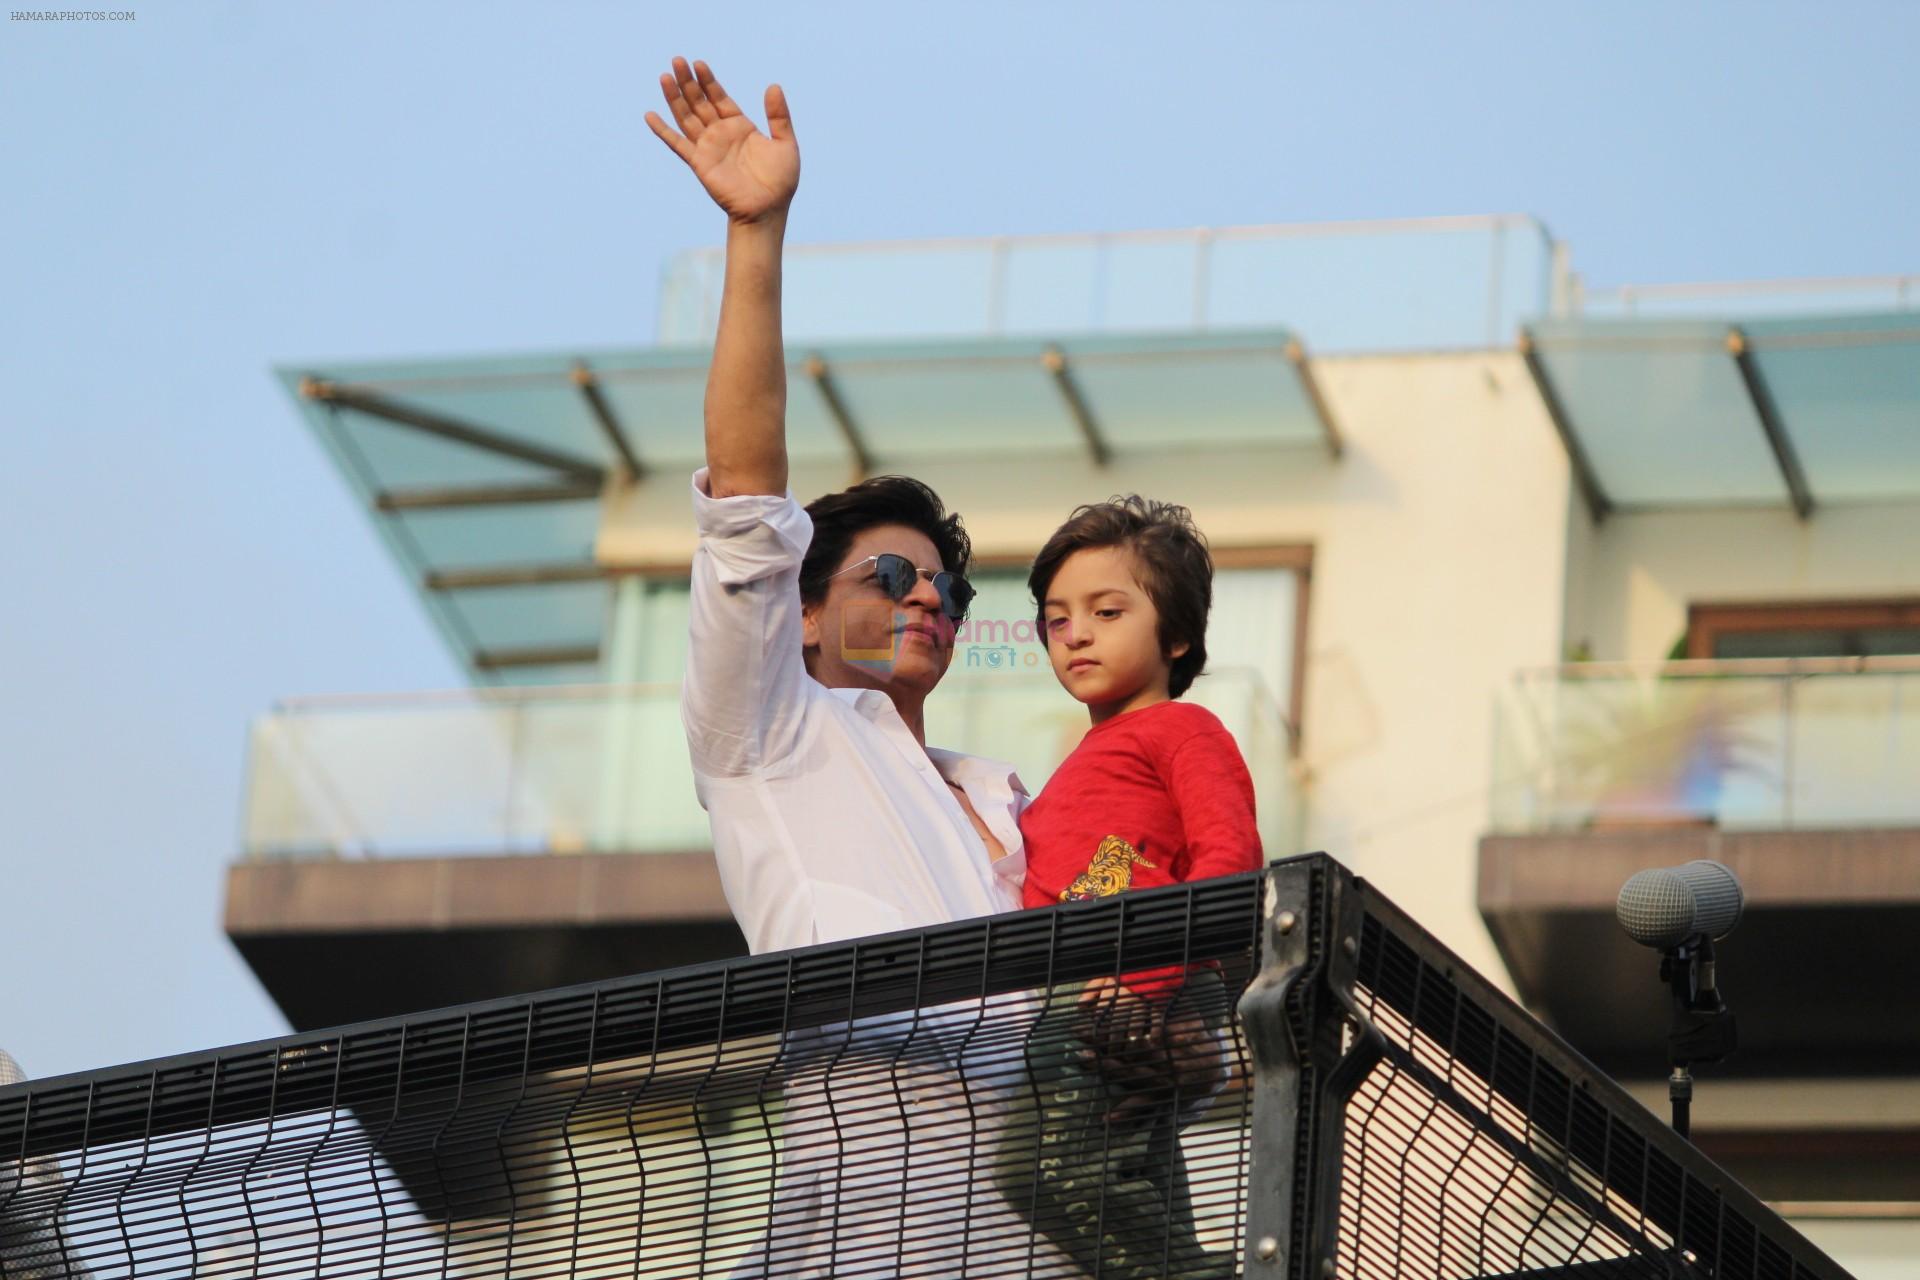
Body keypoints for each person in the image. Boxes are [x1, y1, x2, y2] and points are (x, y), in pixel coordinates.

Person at [646, 58, 1079, 1278]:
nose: (930, 593)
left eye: (947, 582)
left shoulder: (1013, 799)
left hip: (1040, 1233)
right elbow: (746, 497)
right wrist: (756, 234)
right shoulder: (768, 729)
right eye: (890, 577)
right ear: (799, 616)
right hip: (867, 1225)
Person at [995, 497, 1263, 1280]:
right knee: (1130, 1171)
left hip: (1132, 988)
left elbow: (1232, 856)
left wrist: (1143, 985)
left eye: (1107, 611)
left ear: (1176, 636)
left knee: (1044, 1174)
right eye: (1055, 618)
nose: (1075, 632)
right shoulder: (1073, 769)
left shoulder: (1184, 729)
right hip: (1095, 990)